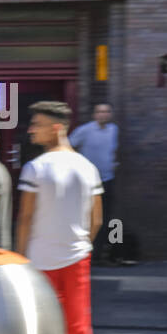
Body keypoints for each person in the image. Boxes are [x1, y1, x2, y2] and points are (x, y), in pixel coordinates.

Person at [15, 101, 104, 334]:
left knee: (46, 321)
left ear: (56, 128)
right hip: (78, 256)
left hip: (40, 258)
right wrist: (82, 244)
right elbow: (97, 219)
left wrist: (20, 256)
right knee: (79, 320)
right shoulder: (88, 167)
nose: (30, 130)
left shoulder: (35, 168)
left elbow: (25, 218)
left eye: (36, 124)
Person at [68, 102, 120, 264]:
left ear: (110, 114)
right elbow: (68, 147)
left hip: (107, 180)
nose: (103, 114)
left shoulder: (113, 130)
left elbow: (113, 150)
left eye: (106, 111)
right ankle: (84, 253)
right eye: (100, 111)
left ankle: (98, 256)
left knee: (104, 218)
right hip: (88, 183)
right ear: (94, 114)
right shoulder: (84, 131)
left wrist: (114, 163)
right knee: (87, 218)